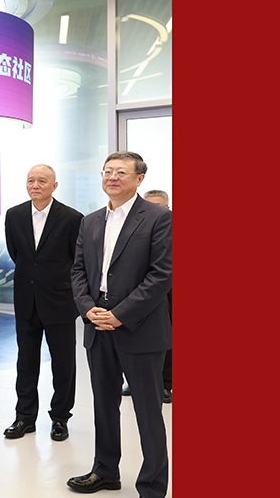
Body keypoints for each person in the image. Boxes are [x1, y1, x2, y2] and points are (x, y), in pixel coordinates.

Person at [67, 152, 172, 498]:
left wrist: (120, 314)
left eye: (121, 172)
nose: (112, 177)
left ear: (139, 178)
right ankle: (105, 471)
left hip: (139, 329)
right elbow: (78, 271)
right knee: (103, 405)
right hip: (97, 327)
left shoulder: (159, 218)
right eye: (108, 171)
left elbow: (162, 275)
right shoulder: (90, 221)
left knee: (147, 412)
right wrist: (88, 309)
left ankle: (152, 486)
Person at [3, 164, 83, 441]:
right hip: (26, 300)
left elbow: (77, 260)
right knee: (26, 362)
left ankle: (60, 417)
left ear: (54, 186)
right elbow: (17, 253)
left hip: (60, 301)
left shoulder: (72, 218)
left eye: (42, 181)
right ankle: (25, 417)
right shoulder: (14, 215)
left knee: (63, 365)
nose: (35, 185)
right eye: (31, 181)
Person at [144, 189, 172, 404]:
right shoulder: (137, 229)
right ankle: (137, 381)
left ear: (168, 208)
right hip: (143, 292)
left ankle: (165, 383)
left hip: (169, 291)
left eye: (159, 206)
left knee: (167, 337)